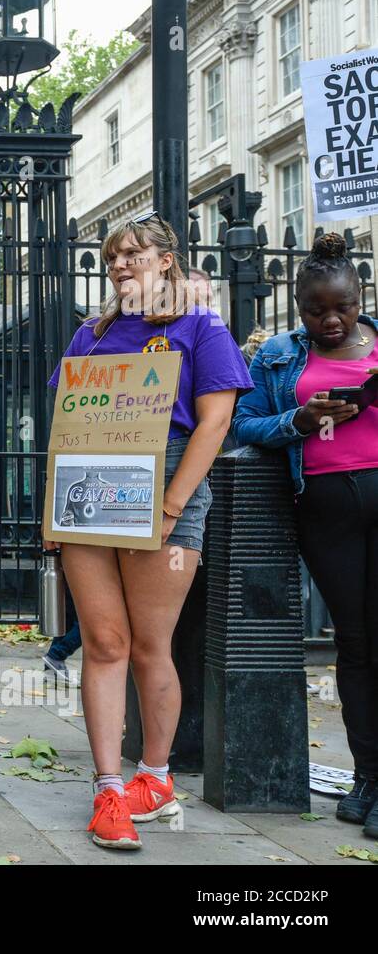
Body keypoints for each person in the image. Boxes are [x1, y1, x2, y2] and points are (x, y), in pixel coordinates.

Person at [45, 213, 251, 850]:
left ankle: (155, 777)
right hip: (90, 494)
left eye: (134, 253)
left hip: (165, 490)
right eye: (113, 257)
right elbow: (65, 419)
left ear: (168, 260)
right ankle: (110, 790)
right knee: (104, 643)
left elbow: (216, 424)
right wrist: (53, 510)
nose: (121, 264)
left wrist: (171, 504)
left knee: (147, 646)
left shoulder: (201, 326)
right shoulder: (93, 332)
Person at [233, 232, 378, 840]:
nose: (331, 319)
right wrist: (301, 417)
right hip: (323, 513)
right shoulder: (276, 356)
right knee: (356, 641)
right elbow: (242, 423)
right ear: (298, 308)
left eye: (341, 306)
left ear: (359, 294)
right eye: (316, 310)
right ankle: (368, 776)